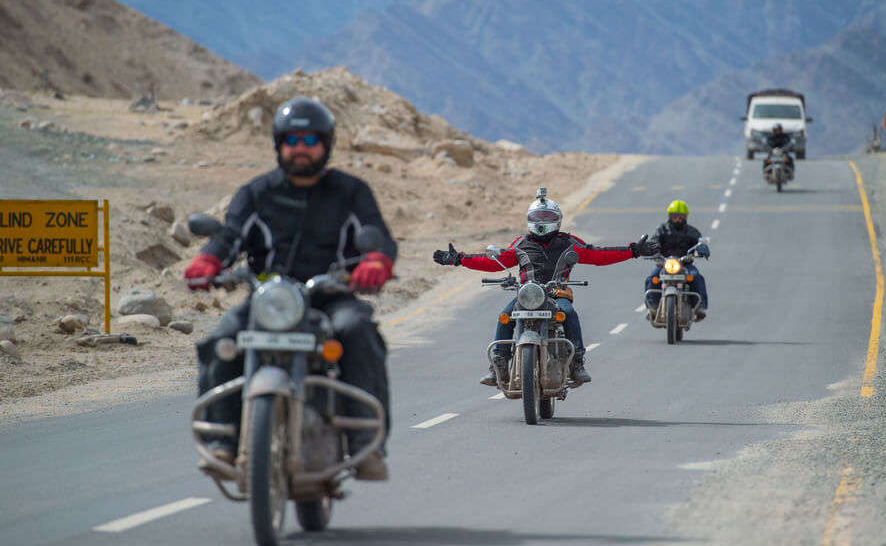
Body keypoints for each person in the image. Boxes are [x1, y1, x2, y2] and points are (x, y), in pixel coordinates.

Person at [183, 96, 396, 481]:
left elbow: (376, 234)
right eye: (293, 139)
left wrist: (376, 261)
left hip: (330, 297)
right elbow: (231, 234)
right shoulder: (257, 192)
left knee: (358, 331)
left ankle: (367, 444)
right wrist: (209, 260)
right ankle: (221, 440)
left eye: (311, 140)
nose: (301, 148)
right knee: (224, 337)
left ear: (325, 145)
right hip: (270, 299)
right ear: (279, 143)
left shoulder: (351, 192)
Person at [433, 188, 645, 386]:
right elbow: (493, 262)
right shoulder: (521, 244)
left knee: (569, 312)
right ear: (529, 220)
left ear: (557, 220)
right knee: (505, 316)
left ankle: (577, 362)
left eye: (547, 217)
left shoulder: (570, 243)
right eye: (537, 217)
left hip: (557, 294)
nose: (542, 222)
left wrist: (633, 250)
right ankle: (498, 363)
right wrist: (458, 259)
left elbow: (599, 255)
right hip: (527, 295)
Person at [644, 200, 710, 320]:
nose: (678, 219)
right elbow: (654, 241)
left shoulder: (691, 231)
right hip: (664, 264)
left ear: (685, 217)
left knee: (696, 277)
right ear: (670, 216)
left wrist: (702, 248)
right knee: (652, 278)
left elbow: (699, 242)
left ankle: (700, 306)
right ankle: (652, 307)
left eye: (681, 217)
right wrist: (649, 249)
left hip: (685, 264)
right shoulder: (662, 230)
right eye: (675, 217)